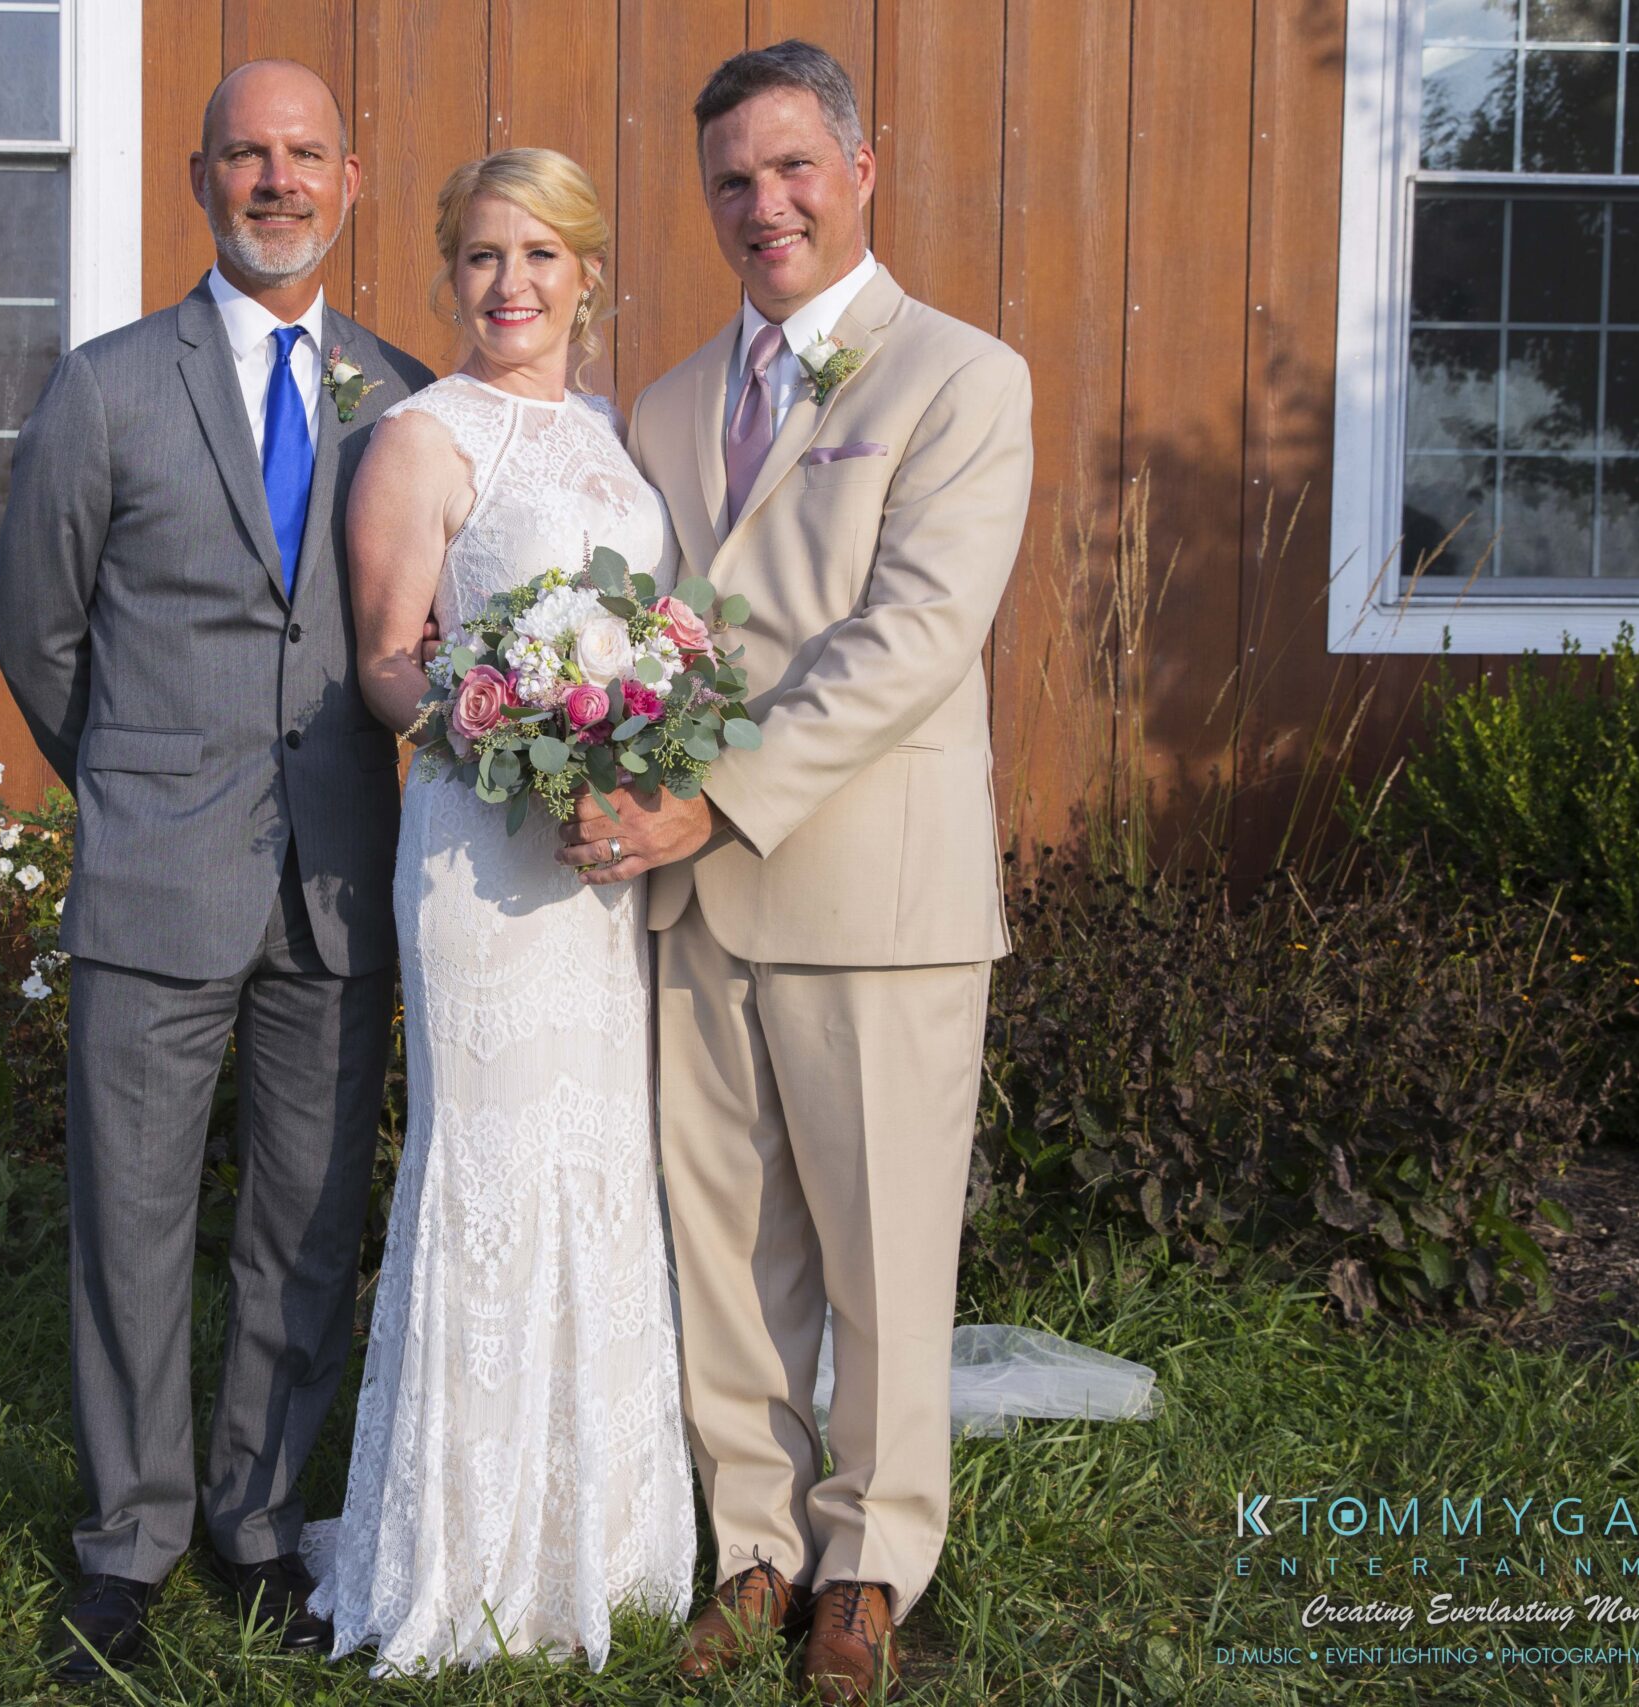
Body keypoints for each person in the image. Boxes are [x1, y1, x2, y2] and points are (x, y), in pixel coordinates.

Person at [559, 40, 1035, 1705]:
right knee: (728, 1254)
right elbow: (639, 636)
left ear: (860, 168)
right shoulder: (669, 402)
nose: (764, 204)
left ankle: (870, 1566)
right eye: (732, 182)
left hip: (873, 897)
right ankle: (753, 1549)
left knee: (884, 1262)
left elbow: (915, 636)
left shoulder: (962, 379)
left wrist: (715, 798)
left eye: (791, 168)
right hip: (692, 905)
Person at [0, 59, 434, 1683]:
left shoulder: (406, 397)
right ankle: (129, 1541)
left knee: (306, 1226)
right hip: (155, 879)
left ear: (351, 181)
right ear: (200, 179)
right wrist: (135, 790)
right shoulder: (107, 388)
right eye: (246, 153)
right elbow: (38, 633)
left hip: (340, 885)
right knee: (132, 1221)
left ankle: (254, 1520)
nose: (277, 179)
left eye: (306, 153)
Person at [309, 147, 696, 1675]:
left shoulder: (612, 433)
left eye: (539, 255)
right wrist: (510, 729)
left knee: (597, 1160)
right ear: (449, 275)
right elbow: (384, 659)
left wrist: (634, 749)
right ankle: (467, 1553)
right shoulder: (421, 437)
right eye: (481, 256)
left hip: (602, 867)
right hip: (484, 852)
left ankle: (603, 1540)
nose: (510, 284)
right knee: (494, 1167)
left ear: (587, 273)